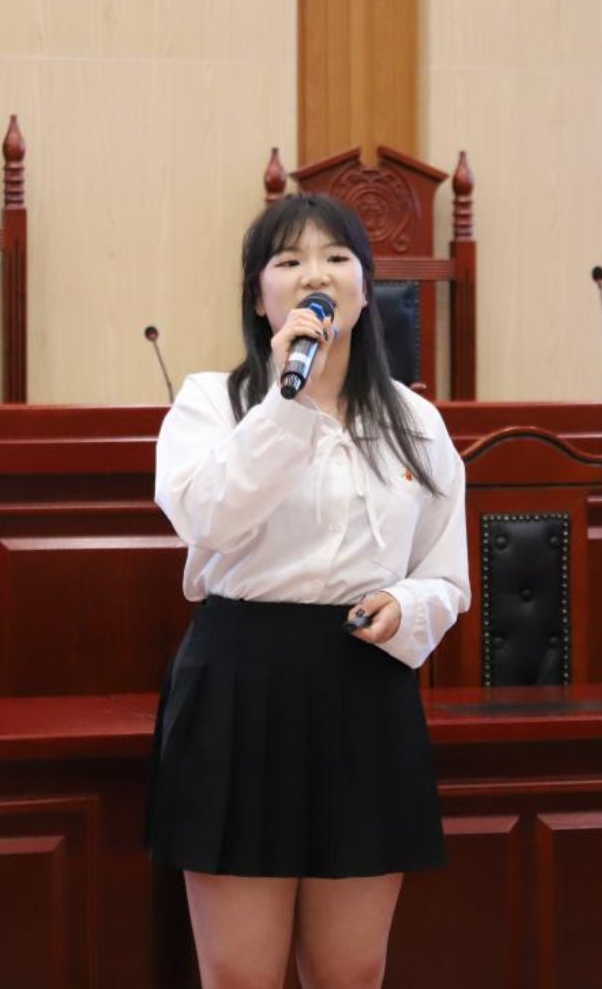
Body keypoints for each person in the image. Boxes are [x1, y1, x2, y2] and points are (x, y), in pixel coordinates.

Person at [147, 193, 469, 988]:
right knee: (240, 975)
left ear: (364, 288)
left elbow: (446, 575)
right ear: (260, 298)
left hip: (363, 688)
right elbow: (209, 516)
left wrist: (408, 607)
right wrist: (286, 402)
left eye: (335, 258)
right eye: (288, 261)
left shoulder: (416, 422)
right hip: (239, 686)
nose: (314, 274)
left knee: (349, 972)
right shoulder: (211, 403)